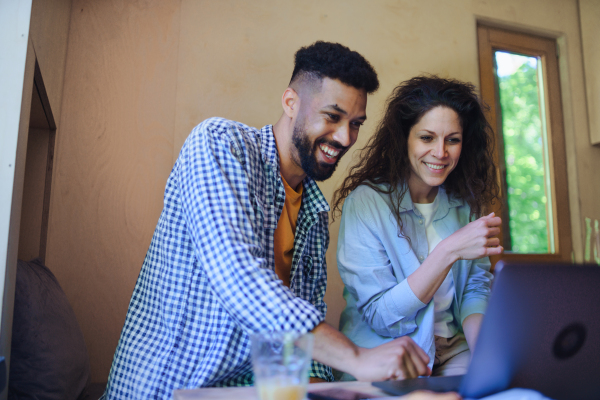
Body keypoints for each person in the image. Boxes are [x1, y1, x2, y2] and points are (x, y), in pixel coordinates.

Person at [102, 42, 437, 399]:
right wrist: (356, 358)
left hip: (253, 389)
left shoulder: (313, 209)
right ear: (290, 102)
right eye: (332, 116)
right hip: (168, 387)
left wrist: (335, 387)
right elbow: (241, 281)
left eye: (355, 124)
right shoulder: (219, 144)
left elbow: (304, 330)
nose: (345, 138)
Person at [332, 76, 503, 380]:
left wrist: (485, 355)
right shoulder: (367, 202)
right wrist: (448, 250)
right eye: (426, 138)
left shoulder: (465, 204)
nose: (441, 152)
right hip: (387, 355)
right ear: (404, 139)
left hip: (452, 349)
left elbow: (475, 290)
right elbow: (381, 316)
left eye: (453, 139)